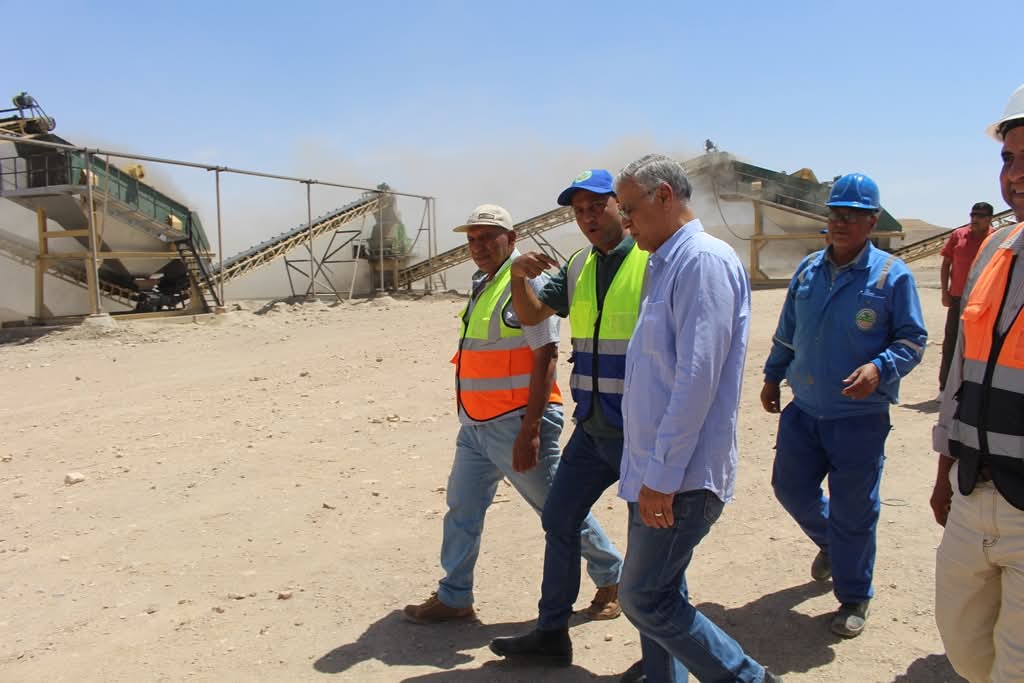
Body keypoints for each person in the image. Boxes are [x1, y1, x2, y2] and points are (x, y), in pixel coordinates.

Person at [403, 204, 621, 626]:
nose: (478, 246)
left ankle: (612, 577)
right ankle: (455, 595)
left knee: (558, 509)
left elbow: (546, 356)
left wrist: (532, 428)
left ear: (512, 237)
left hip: (517, 421)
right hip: (477, 424)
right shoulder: (483, 282)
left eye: (488, 237)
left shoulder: (526, 282)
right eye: (472, 239)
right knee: (462, 508)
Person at [615, 154, 782, 683]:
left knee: (644, 599)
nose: (626, 222)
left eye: (630, 209)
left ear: (664, 196)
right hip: (655, 471)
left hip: (678, 477)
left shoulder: (702, 262)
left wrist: (661, 478)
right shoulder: (664, 262)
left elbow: (696, 381)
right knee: (663, 588)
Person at [761, 173, 927, 638]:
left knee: (856, 509)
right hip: (805, 410)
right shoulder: (808, 269)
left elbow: (913, 340)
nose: (840, 222)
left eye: (852, 214)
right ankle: (833, 543)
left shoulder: (891, 276)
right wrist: (773, 374)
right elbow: (787, 331)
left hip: (859, 419)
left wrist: (880, 368)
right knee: (789, 488)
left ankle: (855, 595)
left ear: (872, 221)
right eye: (835, 213)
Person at [488, 169, 642, 666]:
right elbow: (532, 316)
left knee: (650, 543)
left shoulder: (653, 259)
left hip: (641, 431)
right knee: (559, 519)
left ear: (621, 205)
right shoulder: (577, 264)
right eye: (578, 212)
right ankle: (552, 632)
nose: (588, 219)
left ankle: (658, 653)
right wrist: (517, 276)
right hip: (594, 427)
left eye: (597, 207)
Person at [930, 83, 1024, 683]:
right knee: (966, 652)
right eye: (1009, 158)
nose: (1014, 175)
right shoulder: (995, 246)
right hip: (973, 490)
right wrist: (944, 471)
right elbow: (961, 370)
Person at [938, 202, 995, 396]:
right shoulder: (958, 236)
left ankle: (972, 387)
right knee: (951, 342)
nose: (974, 219)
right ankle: (944, 387)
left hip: (984, 301)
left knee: (978, 345)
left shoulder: (995, 239)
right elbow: (946, 264)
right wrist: (945, 292)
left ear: (989, 219)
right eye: (972, 214)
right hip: (957, 297)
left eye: (979, 216)